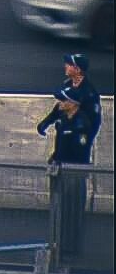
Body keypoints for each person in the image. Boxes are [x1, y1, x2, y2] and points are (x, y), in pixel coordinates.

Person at [38, 86, 102, 257]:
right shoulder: (64, 118)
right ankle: (58, 244)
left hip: (73, 173)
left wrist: (64, 163)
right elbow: (61, 145)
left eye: (64, 100)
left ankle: (71, 248)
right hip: (61, 171)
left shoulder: (82, 123)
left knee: (72, 211)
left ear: (73, 104)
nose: (60, 103)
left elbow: (79, 150)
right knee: (60, 210)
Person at [59, 53, 102, 125]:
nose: (65, 66)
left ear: (77, 69)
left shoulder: (89, 92)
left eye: (69, 64)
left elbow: (95, 119)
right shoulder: (67, 84)